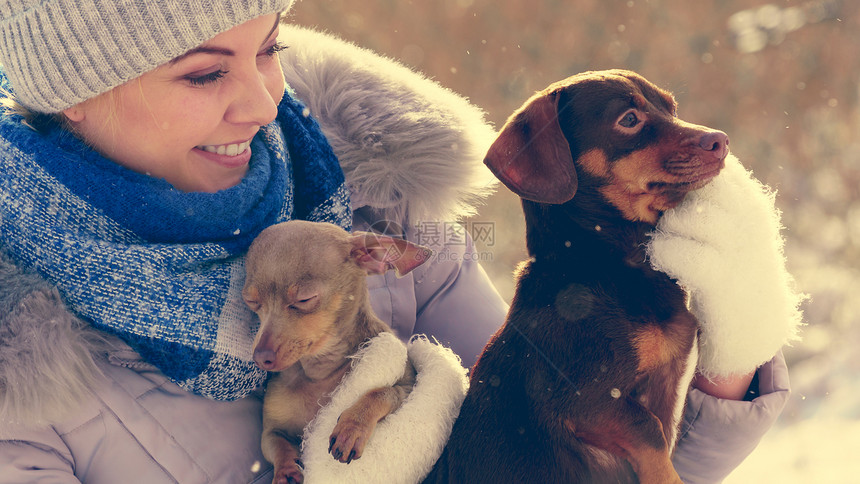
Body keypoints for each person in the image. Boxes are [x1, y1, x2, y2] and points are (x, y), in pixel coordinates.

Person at [0, 1, 788, 483]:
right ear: (73, 95)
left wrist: (734, 340)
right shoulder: (19, 371)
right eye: (205, 75)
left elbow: (581, 449)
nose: (261, 101)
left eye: (270, 49)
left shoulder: (383, 214)